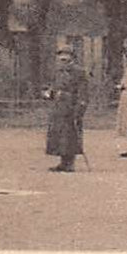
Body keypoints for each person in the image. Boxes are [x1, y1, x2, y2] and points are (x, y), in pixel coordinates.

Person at [45, 44, 88, 172]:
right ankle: (63, 162)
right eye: (61, 55)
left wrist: (79, 110)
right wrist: (50, 93)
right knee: (59, 135)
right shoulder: (57, 71)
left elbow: (83, 93)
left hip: (71, 108)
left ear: (71, 57)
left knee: (70, 135)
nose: (63, 58)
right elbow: (54, 87)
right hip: (58, 108)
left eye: (66, 55)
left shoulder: (79, 72)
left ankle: (70, 163)